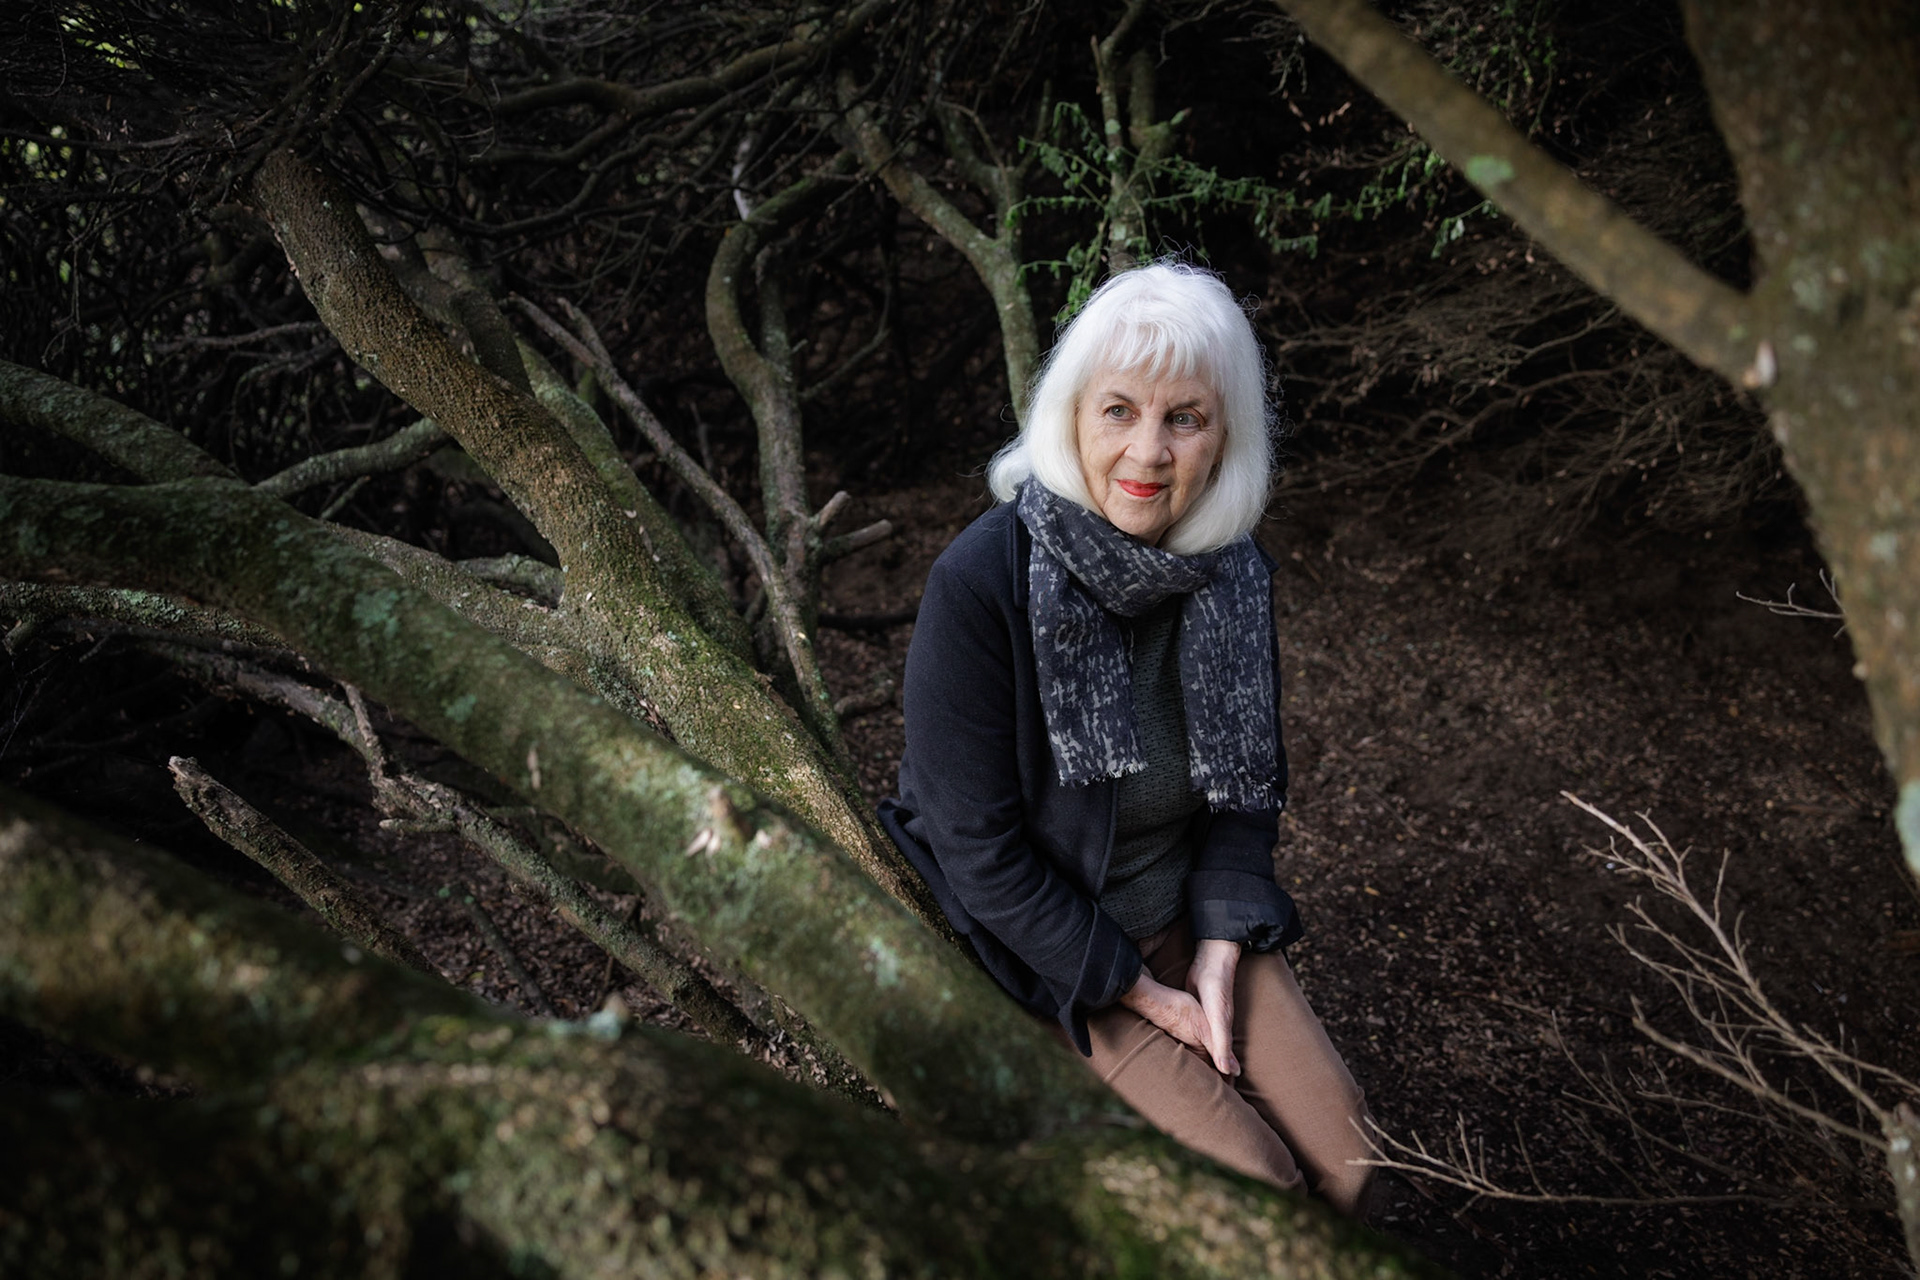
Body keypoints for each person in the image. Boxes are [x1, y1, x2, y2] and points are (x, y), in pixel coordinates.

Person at [878, 261, 1373, 1214]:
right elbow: (980, 855)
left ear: (1225, 437)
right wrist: (1146, 995)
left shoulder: (1229, 572)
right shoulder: (980, 583)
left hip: (1185, 910)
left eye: (1185, 417)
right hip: (1051, 951)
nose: (1148, 450)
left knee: (1360, 1174)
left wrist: (1223, 944)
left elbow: (1244, 795)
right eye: (1120, 410)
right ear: (1071, 415)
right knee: (1259, 1196)